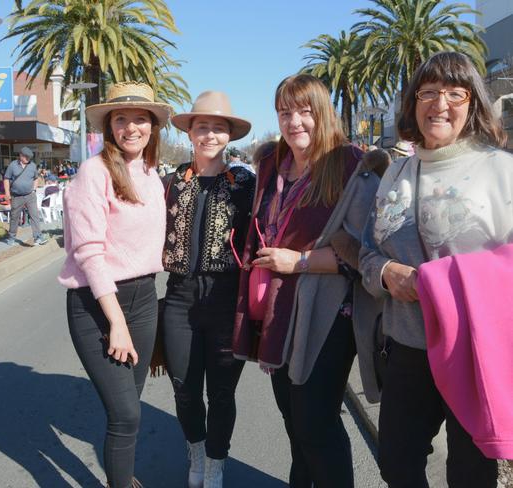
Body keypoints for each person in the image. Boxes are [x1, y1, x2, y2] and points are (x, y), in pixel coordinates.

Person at [359, 51, 510, 488]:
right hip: (407, 346)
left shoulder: (501, 170)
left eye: (454, 92)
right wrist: (386, 272)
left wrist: (438, 281)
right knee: (396, 463)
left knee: (470, 472)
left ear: (474, 103)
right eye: (428, 92)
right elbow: (369, 249)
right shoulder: (396, 172)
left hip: (474, 347)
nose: (439, 103)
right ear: (413, 103)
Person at [232, 74, 381, 488]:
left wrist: (296, 261)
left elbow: (363, 252)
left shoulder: (352, 165)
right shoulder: (270, 167)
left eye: (304, 111)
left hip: (327, 315)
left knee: (317, 425)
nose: (294, 121)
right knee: (295, 423)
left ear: (323, 113)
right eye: (285, 112)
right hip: (277, 313)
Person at [57, 81, 171, 488]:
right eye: (121, 119)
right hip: (99, 303)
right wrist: (116, 321)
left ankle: (122, 478)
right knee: (126, 415)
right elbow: (89, 254)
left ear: (153, 126)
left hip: (144, 297)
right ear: (109, 126)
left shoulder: (152, 175)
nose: (131, 127)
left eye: (140, 118)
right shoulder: (94, 172)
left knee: (129, 409)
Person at [162, 91, 255, 488]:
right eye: (203, 127)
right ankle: (196, 450)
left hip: (225, 298)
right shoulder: (172, 182)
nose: (210, 134)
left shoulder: (244, 183)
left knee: (221, 392)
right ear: (190, 133)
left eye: (218, 127)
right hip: (179, 296)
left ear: (228, 135)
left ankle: (217, 459)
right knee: (184, 389)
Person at [3, 147, 48, 246]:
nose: (28, 160)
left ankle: (37, 237)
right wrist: (7, 193)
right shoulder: (13, 165)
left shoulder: (32, 166)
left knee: (34, 216)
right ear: (21, 155)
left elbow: (36, 178)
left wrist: (33, 189)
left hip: (30, 195)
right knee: (15, 217)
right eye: (26, 157)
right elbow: (6, 179)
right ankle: (11, 237)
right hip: (16, 196)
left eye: (29, 158)